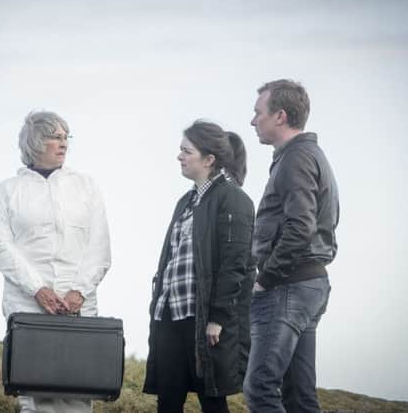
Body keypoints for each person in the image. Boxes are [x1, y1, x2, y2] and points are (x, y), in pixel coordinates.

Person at [0, 111, 111, 413]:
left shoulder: (86, 186)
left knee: (78, 389)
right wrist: (38, 289)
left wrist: (78, 292)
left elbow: (100, 247)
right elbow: (2, 249)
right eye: (55, 137)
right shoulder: (8, 190)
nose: (63, 143)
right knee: (33, 391)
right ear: (35, 141)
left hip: (78, 305)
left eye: (65, 136)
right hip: (28, 304)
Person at [143, 120, 256, 413]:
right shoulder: (186, 201)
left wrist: (217, 317)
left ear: (209, 159)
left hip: (203, 319)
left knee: (212, 399)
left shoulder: (233, 199)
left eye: (186, 151)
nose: (179, 156)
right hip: (170, 313)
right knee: (168, 400)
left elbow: (236, 265)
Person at [243, 79, 340, 413]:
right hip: (307, 284)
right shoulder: (309, 155)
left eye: (258, 113)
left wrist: (265, 279)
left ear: (280, 116)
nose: (253, 120)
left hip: (288, 286)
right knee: (298, 394)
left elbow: (300, 228)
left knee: (260, 388)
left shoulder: (297, 159)